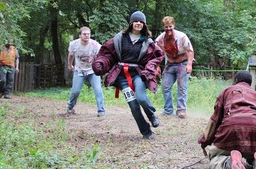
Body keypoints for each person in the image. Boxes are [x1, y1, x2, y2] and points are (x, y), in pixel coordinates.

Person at [92, 11, 164, 140]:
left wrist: (150, 69)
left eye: (141, 22)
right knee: (134, 106)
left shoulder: (147, 41)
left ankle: (152, 114)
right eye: (136, 21)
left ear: (144, 25)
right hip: (122, 76)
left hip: (138, 74)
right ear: (131, 23)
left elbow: (157, 57)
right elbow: (107, 53)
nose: (138, 23)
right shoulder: (119, 38)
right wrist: (101, 63)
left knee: (141, 98)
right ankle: (146, 132)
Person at [155, 16, 194, 119]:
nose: (168, 29)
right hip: (170, 64)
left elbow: (190, 51)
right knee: (165, 86)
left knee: (182, 87)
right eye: (166, 27)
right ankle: (168, 110)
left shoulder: (181, 37)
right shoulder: (159, 39)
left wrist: (189, 64)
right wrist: (157, 66)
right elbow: (157, 54)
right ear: (163, 27)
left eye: (170, 27)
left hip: (183, 63)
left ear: (174, 25)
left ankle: (181, 110)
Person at [67, 27, 106, 117]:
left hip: (92, 71)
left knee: (98, 90)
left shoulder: (95, 45)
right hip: (79, 70)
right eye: (84, 34)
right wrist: (69, 65)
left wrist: (101, 66)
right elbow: (70, 55)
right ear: (80, 35)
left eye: (88, 34)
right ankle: (70, 106)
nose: (87, 35)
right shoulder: (74, 44)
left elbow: (102, 55)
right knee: (75, 91)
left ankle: (101, 110)